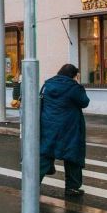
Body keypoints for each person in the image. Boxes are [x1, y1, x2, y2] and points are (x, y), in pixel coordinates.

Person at [39, 64, 90, 197]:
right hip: (69, 127)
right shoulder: (73, 87)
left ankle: (32, 184)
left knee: (45, 153)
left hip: (49, 125)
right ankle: (72, 187)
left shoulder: (47, 85)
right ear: (74, 75)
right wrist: (78, 84)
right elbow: (84, 102)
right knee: (72, 155)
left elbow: (41, 103)